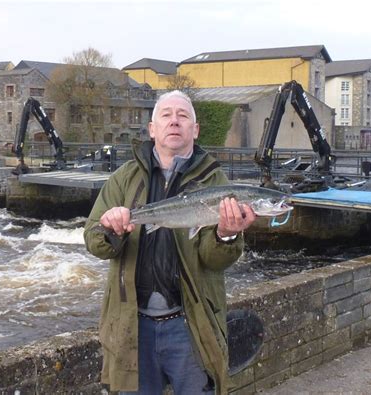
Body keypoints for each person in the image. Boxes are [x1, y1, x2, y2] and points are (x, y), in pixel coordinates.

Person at [84, 90, 256, 395]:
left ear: (195, 129)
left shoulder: (215, 183)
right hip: (132, 327)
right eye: (166, 115)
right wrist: (112, 230)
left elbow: (212, 260)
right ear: (152, 129)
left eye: (183, 115)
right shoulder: (124, 178)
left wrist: (226, 234)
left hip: (189, 326)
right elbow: (94, 241)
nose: (174, 121)